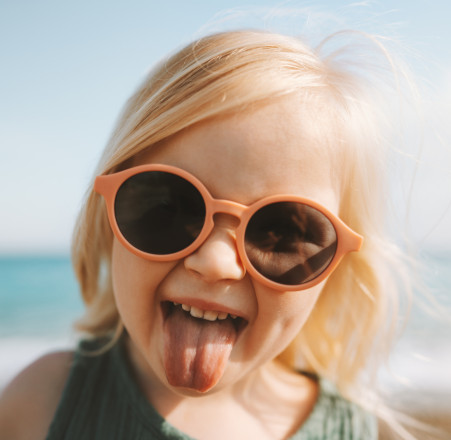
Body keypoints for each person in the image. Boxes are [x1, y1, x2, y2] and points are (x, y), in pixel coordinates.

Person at [0, 29, 424, 439]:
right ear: (106, 211)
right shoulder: (42, 403)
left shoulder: (363, 434)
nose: (216, 262)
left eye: (281, 230)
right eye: (170, 206)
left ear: (336, 266)